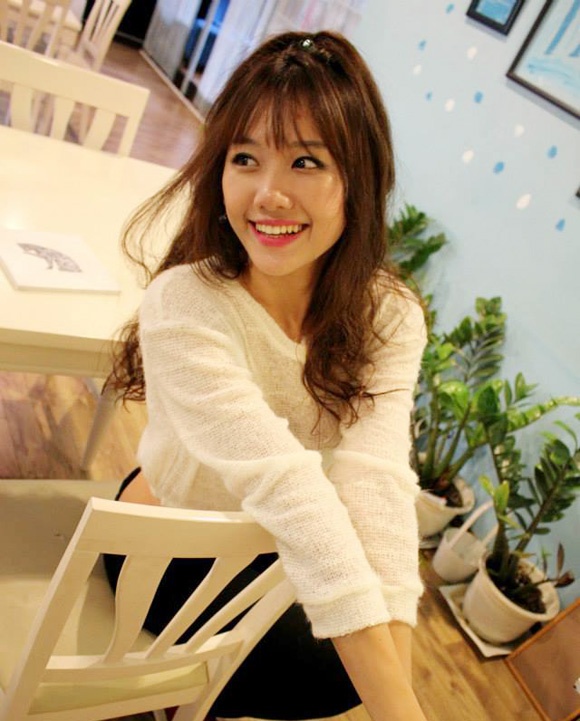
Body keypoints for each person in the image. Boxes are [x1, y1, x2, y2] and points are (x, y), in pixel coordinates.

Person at [106, 30, 429, 721]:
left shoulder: (391, 315)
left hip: (268, 546)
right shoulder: (186, 303)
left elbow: (375, 482)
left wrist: (401, 700)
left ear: (360, 178)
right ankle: (169, 695)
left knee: (348, 664)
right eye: (244, 158)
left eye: (306, 161)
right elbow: (290, 488)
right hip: (163, 548)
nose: (268, 194)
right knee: (331, 659)